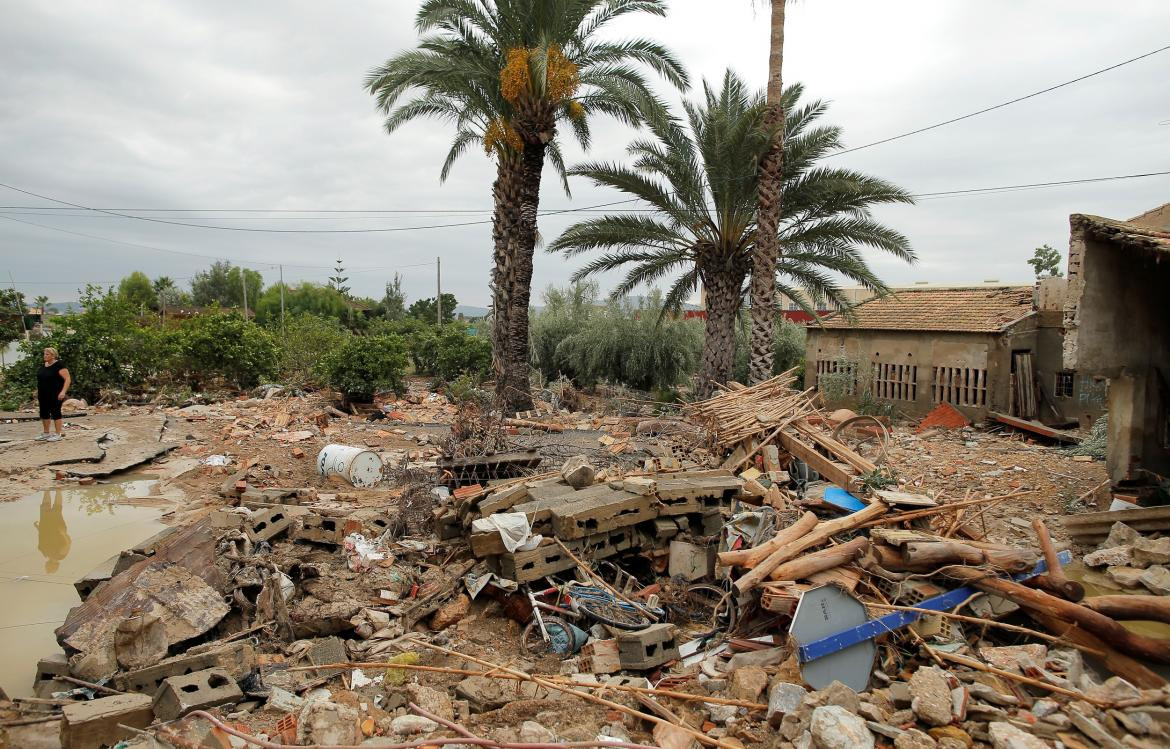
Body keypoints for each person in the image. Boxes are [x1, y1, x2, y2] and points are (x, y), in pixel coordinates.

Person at [35, 347, 71, 442]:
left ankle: (58, 434)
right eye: (44, 354)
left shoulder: (59, 365)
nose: (45, 356)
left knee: (55, 412)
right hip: (43, 394)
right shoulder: (44, 365)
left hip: (55, 393)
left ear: (53, 355)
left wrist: (63, 392)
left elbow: (67, 379)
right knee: (44, 413)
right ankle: (46, 433)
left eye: (47, 354)